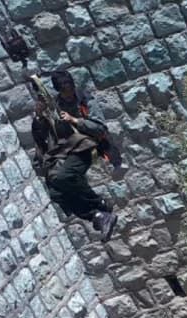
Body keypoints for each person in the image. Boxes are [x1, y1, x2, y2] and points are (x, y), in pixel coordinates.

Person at [30, 69, 118, 241]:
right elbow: (41, 135)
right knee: (56, 191)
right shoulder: (54, 105)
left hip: (86, 146)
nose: (68, 91)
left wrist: (75, 120)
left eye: (69, 86)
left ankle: (99, 204)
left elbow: (100, 127)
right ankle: (97, 216)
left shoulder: (84, 100)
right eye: (63, 88)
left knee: (64, 177)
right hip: (66, 150)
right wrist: (39, 116)